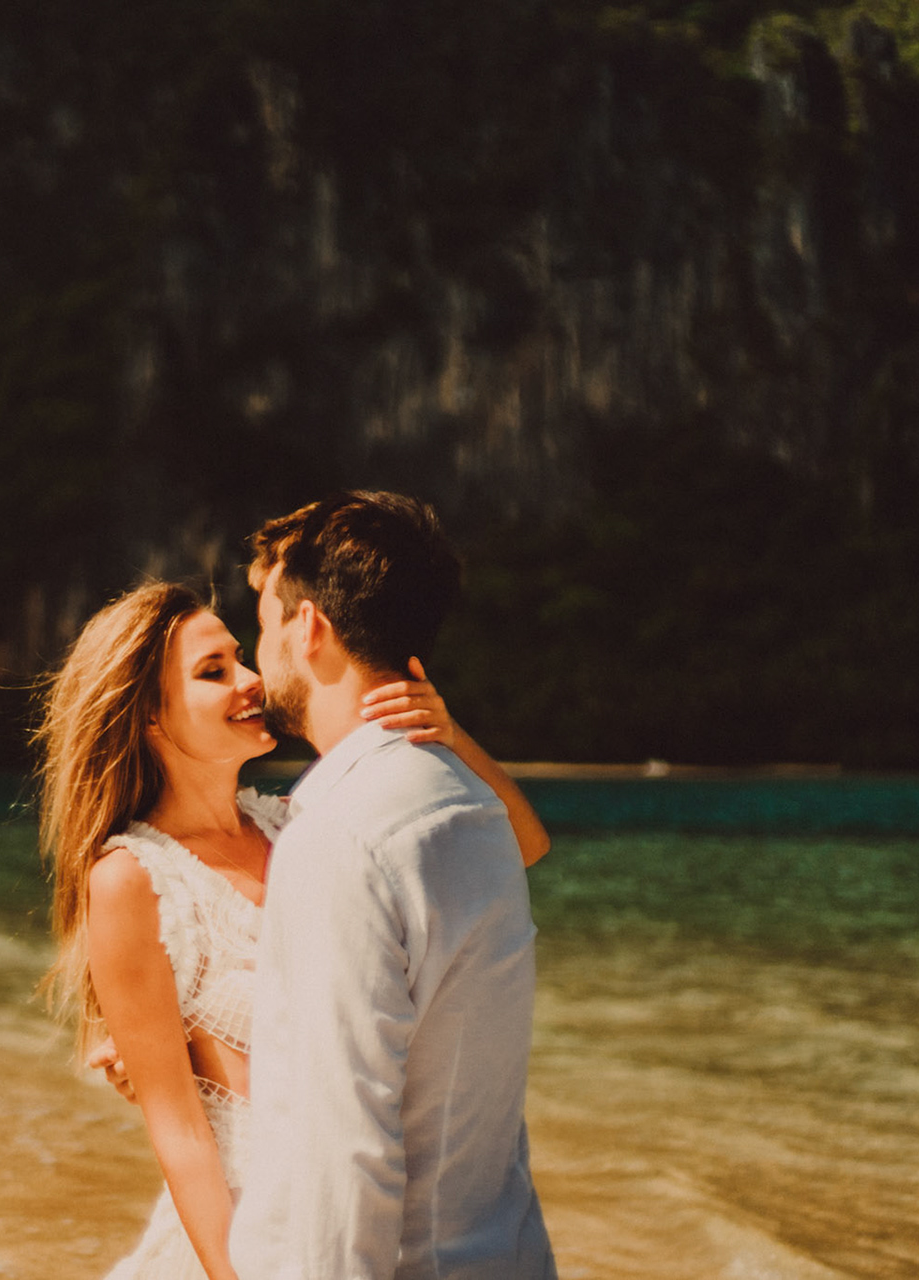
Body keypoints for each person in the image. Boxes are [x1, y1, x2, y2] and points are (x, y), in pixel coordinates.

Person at [33, 528, 547, 1279]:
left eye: (241, 655)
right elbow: (181, 1134)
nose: (248, 680)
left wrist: (447, 729)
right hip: (248, 1235)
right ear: (147, 716)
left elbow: (518, 844)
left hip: (352, 1222)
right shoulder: (134, 879)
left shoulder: (301, 826)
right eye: (213, 671)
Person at [231, 492, 557, 1279]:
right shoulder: (477, 814)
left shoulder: (338, 838)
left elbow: (342, 1158)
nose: (259, 648)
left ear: (310, 628)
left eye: (268, 621)